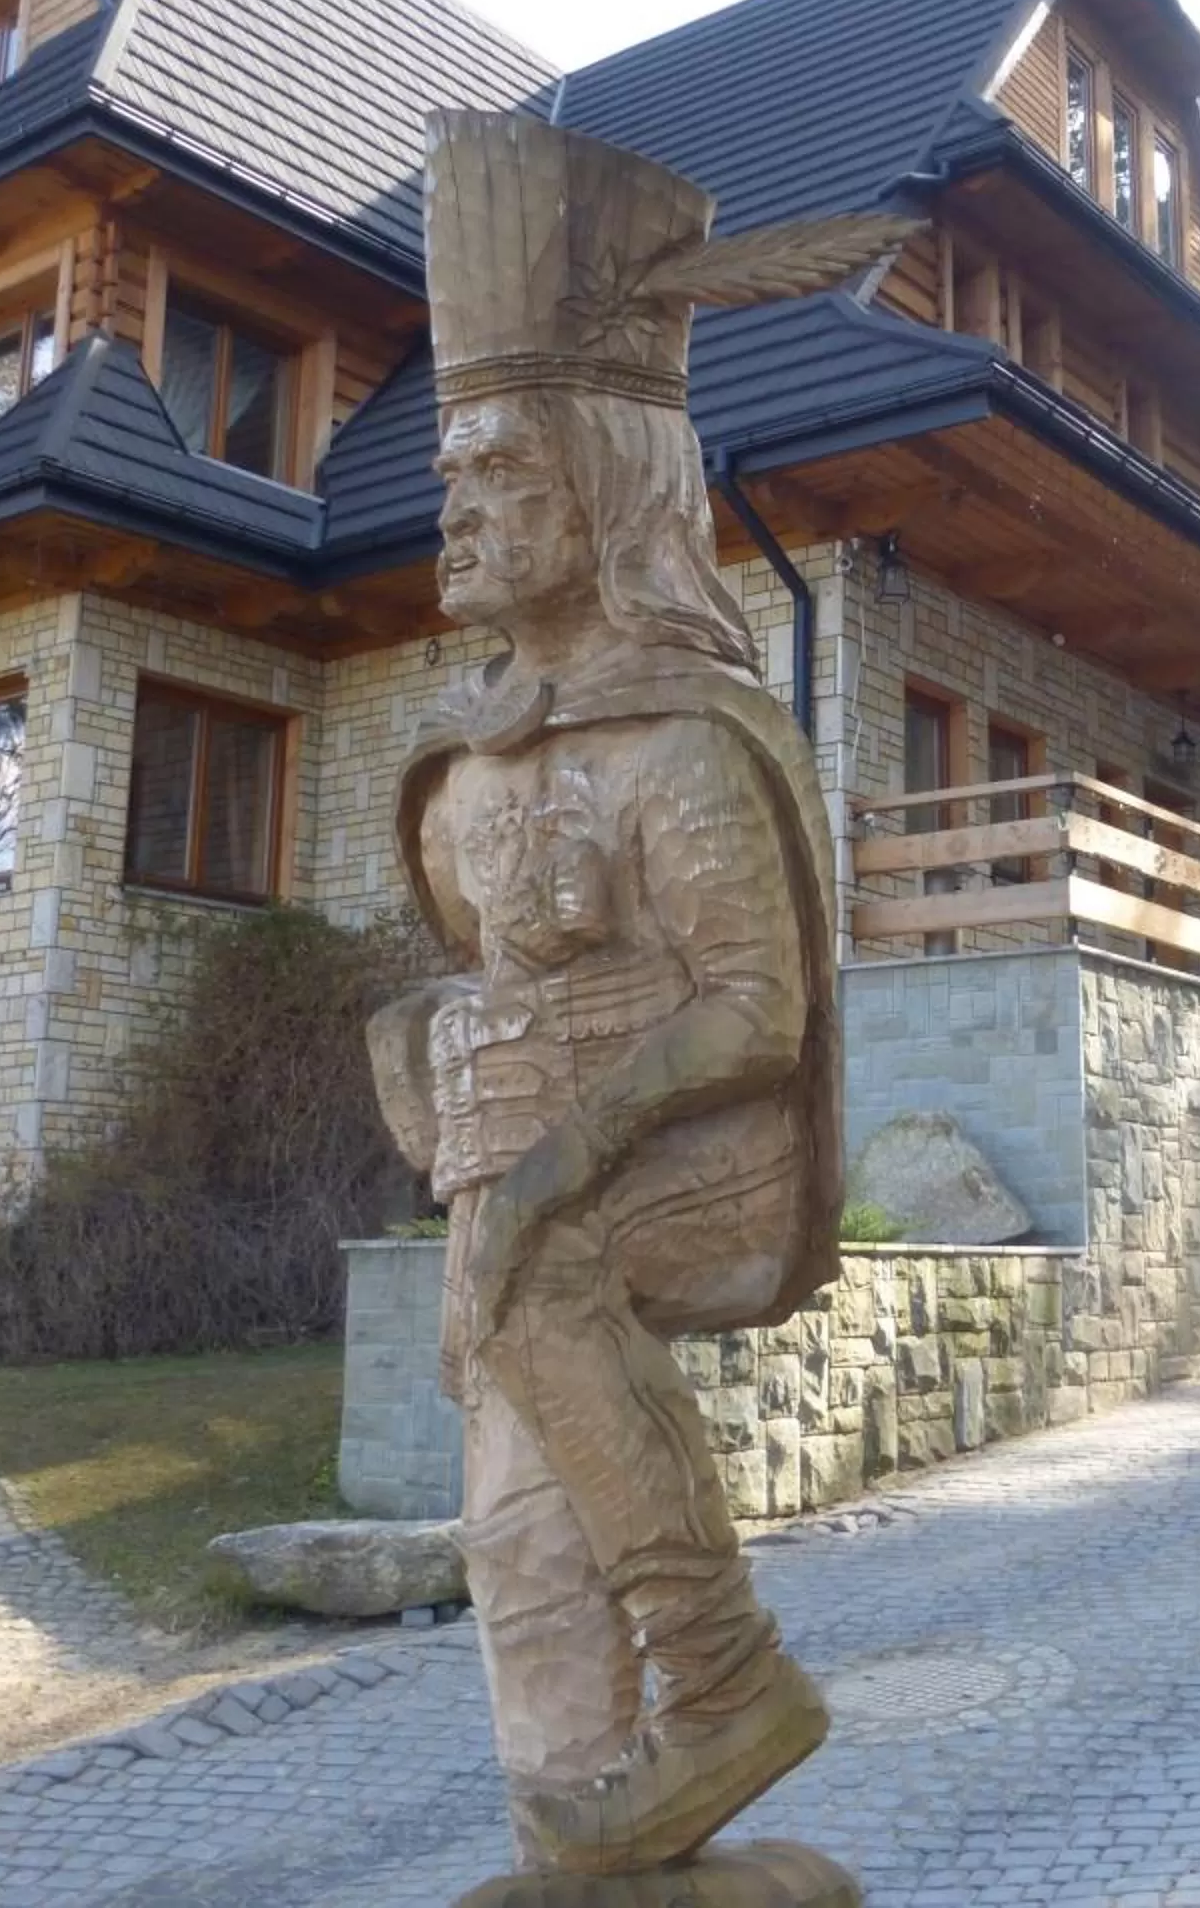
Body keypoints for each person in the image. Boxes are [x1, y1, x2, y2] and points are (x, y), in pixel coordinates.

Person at [368, 111, 905, 1878]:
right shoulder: (474, 751)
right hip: (531, 1178)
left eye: (503, 475)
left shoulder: (678, 737)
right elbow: (489, 968)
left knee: (544, 1283)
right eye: (452, 477)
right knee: (514, 1528)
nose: (460, 509)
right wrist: (442, 1071)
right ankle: (581, 1818)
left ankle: (726, 1674)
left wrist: (547, 1159)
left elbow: (755, 1007)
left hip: (687, 1151)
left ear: (605, 487)